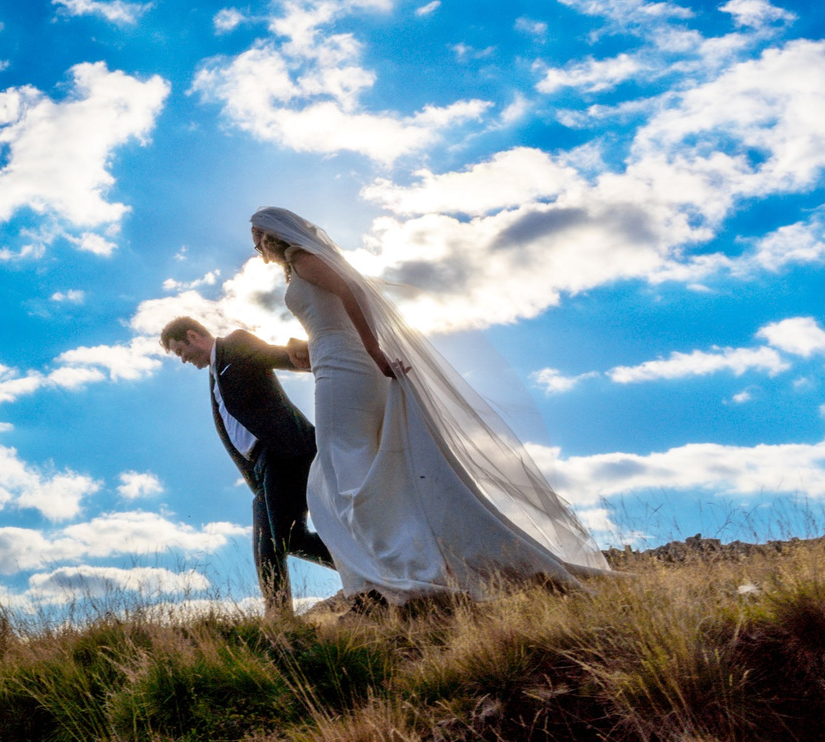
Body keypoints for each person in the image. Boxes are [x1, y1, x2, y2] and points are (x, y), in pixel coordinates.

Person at [248, 206, 611, 601]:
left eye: (257, 240)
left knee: (338, 468)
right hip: (337, 360)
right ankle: (391, 571)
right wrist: (308, 343)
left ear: (272, 233)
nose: (257, 249)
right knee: (356, 465)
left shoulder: (303, 258)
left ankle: (396, 573)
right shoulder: (301, 265)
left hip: (344, 367)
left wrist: (373, 349)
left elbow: (353, 292)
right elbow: (331, 315)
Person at [159, 314, 335, 616]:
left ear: (192, 336)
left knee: (286, 538)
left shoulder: (236, 345)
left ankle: (364, 569)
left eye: (180, 351)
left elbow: (282, 357)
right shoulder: (213, 375)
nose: (183, 359)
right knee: (268, 545)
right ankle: (279, 617)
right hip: (262, 468)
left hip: (285, 452)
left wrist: (313, 350)